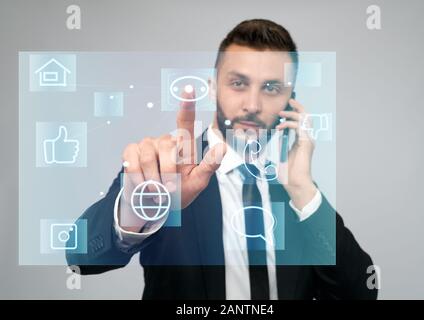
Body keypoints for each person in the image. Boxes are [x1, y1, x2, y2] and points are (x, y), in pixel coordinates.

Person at [67, 19, 377, 300]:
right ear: (214, 87)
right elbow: (79, 258)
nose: (252, 105)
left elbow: (360, 295)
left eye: (271, 88)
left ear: (291, 100)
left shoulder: (298, 193)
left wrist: (303, 191)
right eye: (238, 83)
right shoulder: (165, 171)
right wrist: (142, 210)